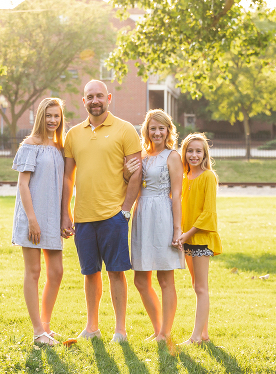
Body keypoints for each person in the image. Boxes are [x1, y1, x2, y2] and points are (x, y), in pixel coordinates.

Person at [61, 80, 142, 343]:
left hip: (113, 216)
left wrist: (125, 210)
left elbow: (137, 173)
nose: (95, 101)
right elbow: (67, 178)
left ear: (108, 98)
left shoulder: (125, 130)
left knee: (116, 272)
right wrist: (66, 212)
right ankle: (92, 327)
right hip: (83, 217)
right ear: (83, 101)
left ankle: (120, 330)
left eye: (99, 96)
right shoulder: (73, 134)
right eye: (89, 97)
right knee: (90, 273)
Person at [124, 109, 185, 342]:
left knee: (165, 279)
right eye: (153, 128)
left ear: (168, 130)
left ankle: (165, 332)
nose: (157, 132)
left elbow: (177, 195)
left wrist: (177, 229)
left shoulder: (172, 156)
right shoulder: (141, 155)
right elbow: (131, 183)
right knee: (140, 279)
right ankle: (158, 329)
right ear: (146, 131)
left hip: (163, 215)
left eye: (162, 128)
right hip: (142, 215)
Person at [10, 97, 66, 346]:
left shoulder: (59, 147)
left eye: (57, 116)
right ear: (40, 117)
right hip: (32, 216)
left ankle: (45, 326)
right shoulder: (29, 146)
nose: (53, 120)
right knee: (33, 272)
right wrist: (32, 220)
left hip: (52, 217)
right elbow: (23, 184)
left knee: (56, 272)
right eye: (49, 116)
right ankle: (37, 332)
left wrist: (67, 214)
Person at [177, 132, 222, 345]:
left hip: (200, 238)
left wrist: (188, 233)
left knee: (202, 287)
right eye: (190, 151)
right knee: (196, 286)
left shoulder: (208, 177)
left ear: (205, 154)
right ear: (184, 153)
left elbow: (208, 213)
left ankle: (196, 337)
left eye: (198, 151)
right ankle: (204, 334)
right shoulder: (184, 177)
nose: (194, 155)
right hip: (187, 238)